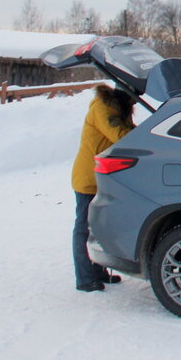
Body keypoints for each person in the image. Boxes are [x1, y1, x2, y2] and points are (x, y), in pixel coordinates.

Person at [71, 84, 136, 291]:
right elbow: (121, 136)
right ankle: (84, 278)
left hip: (104, 178)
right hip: (88, 179)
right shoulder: (102, 108)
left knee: (100, 228)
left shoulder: (118, 110)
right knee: (83, 229)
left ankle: (98, 271)